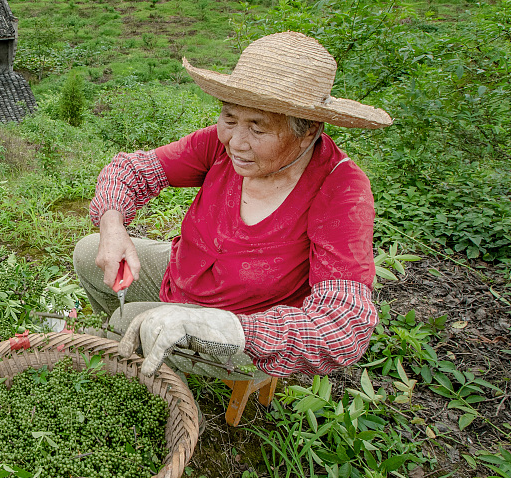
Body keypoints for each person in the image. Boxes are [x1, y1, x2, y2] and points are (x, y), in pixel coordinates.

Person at [74, 31, 393, 380]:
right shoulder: (217, 145)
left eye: (258, 129)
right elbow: (132, 170)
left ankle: (151, 359)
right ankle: (154, 354)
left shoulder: (341, 189)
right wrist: (112, 226)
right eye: (229, 119)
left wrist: (232, 329)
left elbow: (344, 325)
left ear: (308, 129)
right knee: (89, 252)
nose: (236, 142)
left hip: (244, 330)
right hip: (183, 277)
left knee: (127, 322)